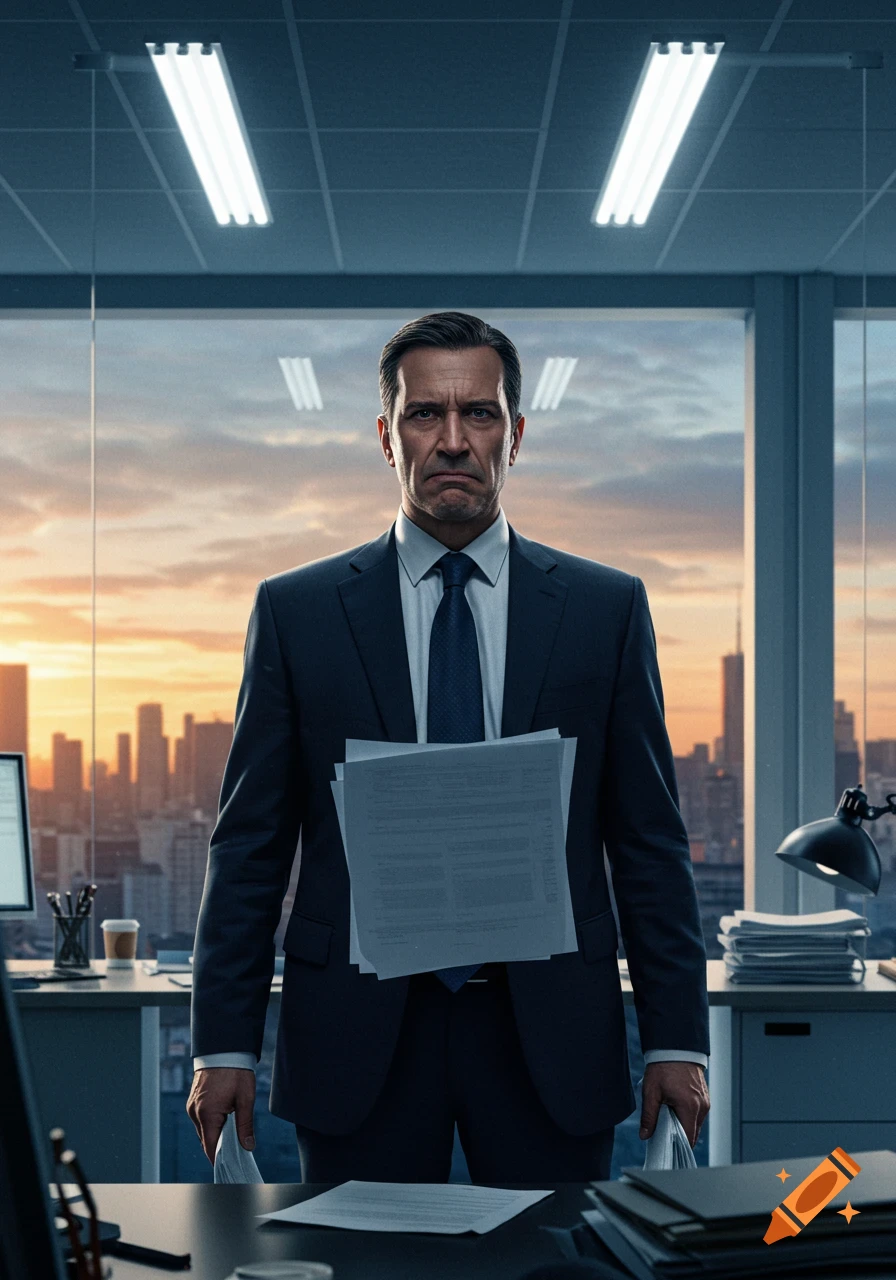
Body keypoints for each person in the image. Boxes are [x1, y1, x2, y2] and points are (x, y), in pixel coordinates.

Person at [188, 311, 710, 1183]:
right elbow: (249, 844)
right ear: (386, 437)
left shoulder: (605, 609)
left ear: (518, 435)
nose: (455, 440)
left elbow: (649, 842)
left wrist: (676, 1036)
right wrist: (224, 1044)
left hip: (548, 1031)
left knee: (556, 1266)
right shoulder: (298, 613)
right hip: (361, 1034)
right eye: (427, 415)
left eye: (481, 414)